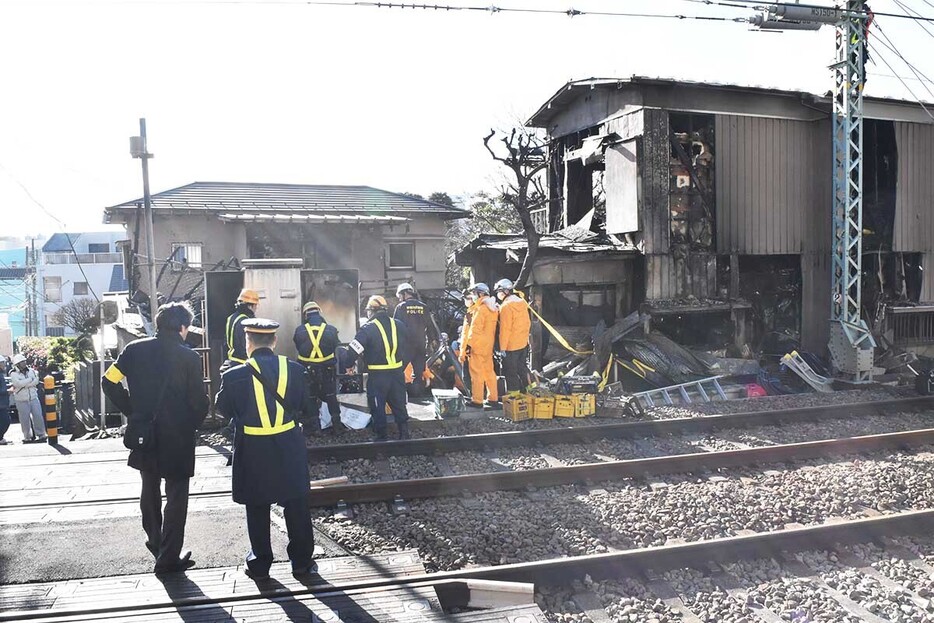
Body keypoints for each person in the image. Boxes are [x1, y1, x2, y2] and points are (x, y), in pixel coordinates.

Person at [102, 302, 209, 575]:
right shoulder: (189, 358)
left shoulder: (134, 350)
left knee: (149, 488)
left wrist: (132, 411)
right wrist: (191, 424)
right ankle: (169, 556)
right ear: (183, 328)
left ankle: (155, 541)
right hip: (178, 436)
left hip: (144, 433)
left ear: (159, 324)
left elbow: (108, 381)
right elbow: (199, 402)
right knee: (176, 495)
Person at [214, 318, 317, 581]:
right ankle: (301, 563)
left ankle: (260, 563)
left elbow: (223, 409)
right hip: (288, 443)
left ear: (248, 343)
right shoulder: (293, 369)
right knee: (296, 502)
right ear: (274, 341)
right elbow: (306, 406)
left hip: (253, 447)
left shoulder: (233, 375)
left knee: (257, 504)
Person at [350, 295, 410, 441]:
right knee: (399, 402)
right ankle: (404, 433)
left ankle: (382, 436)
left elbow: (353, 350)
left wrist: (347, 364)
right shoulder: (399, 325)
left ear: (372, 311)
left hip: (378, 375)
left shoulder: (368, 328)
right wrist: (401, 366)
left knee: (377, 404)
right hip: (397, 373)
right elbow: (410, 348)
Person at [293, 301, 341, 431]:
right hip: (327, 369)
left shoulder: (299, 331)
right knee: (331, 396)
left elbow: (298, 346)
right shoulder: (330, 330)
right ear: (319, 312)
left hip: (308, 370)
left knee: (311, 398)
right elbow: (336, 345)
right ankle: (337, 426)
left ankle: (316, 428)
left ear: (305, 315)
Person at [463, 283, 500, 408]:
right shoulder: (493, 309)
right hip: (487, 347)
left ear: (481, 293)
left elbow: (475, 329)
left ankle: (477, 400)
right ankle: (493, 398)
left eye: (474, 293)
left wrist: (469, 345)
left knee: (476, 373)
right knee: (489, 373)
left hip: (477, 347)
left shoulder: (481, 309)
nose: (473, 296)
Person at [393, 283, 431, 400]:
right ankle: (417, 397)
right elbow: (429, 326)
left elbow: (395, 327)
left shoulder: (401, 307)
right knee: (418, 374)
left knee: (398, 371)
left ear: (404, 294)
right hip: (420, 345)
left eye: (400, 295)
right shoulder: (423, 307)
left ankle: (398, 396)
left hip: (406, 345)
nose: (399, 298)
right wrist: (431, 342)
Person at [494, 278, 532, 393]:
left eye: (499, 291)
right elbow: (527, 324)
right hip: (522, 344)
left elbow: (505, 329)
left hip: (510, 346)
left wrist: (502, 348)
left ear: (505, 291)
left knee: (510, 372)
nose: (498, 294)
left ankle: (514, 396)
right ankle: (531, 391)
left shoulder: (506, 307)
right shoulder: (521, 302)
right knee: (522, 369)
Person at [9, 354, 46, 443]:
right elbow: (18, 384)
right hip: (21, 399)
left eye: (24, 361)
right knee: (24, 419)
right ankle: (27, 437)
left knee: (38, 416)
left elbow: (36, 381)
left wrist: (26, 383)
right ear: (17, 364)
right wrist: (30, 380)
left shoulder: (31, 371)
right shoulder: (13, 373)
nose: (24, 363)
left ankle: (41, 434)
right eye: (22, 362)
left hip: (33, 397)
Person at [221, 289, 260, 373]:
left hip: (231, 361)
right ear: (250, 306)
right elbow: (246, 345)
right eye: (255, 305)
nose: (256, 308)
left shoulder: (231, 317)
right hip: (243, 363)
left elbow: (225, 343)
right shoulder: (247, 321)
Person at [0, 358, 11, 445]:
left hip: (2, 403)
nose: (4, 364)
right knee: (5, 421)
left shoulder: (1, 374)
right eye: (2, 363)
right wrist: (7, 391)